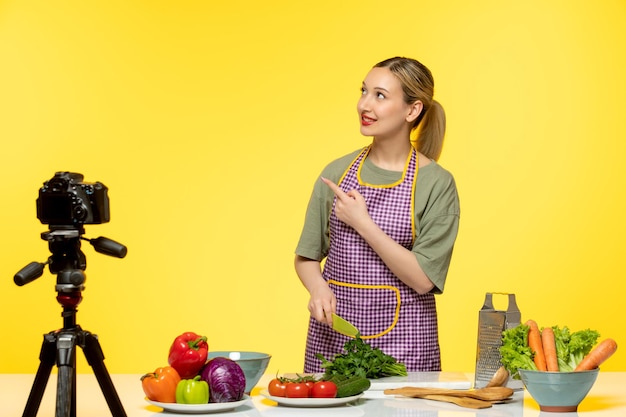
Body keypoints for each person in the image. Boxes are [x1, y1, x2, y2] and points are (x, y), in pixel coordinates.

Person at [294, 57, 460, 373]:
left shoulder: (436, 183)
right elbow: (306, 257)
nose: (364, 105)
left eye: (380, 95)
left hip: (406, 350)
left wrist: (362, 222)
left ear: (412, 110)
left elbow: (423, 279)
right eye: (364, 91)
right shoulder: (337, 172)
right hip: (335, 343)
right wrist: (317, 288)